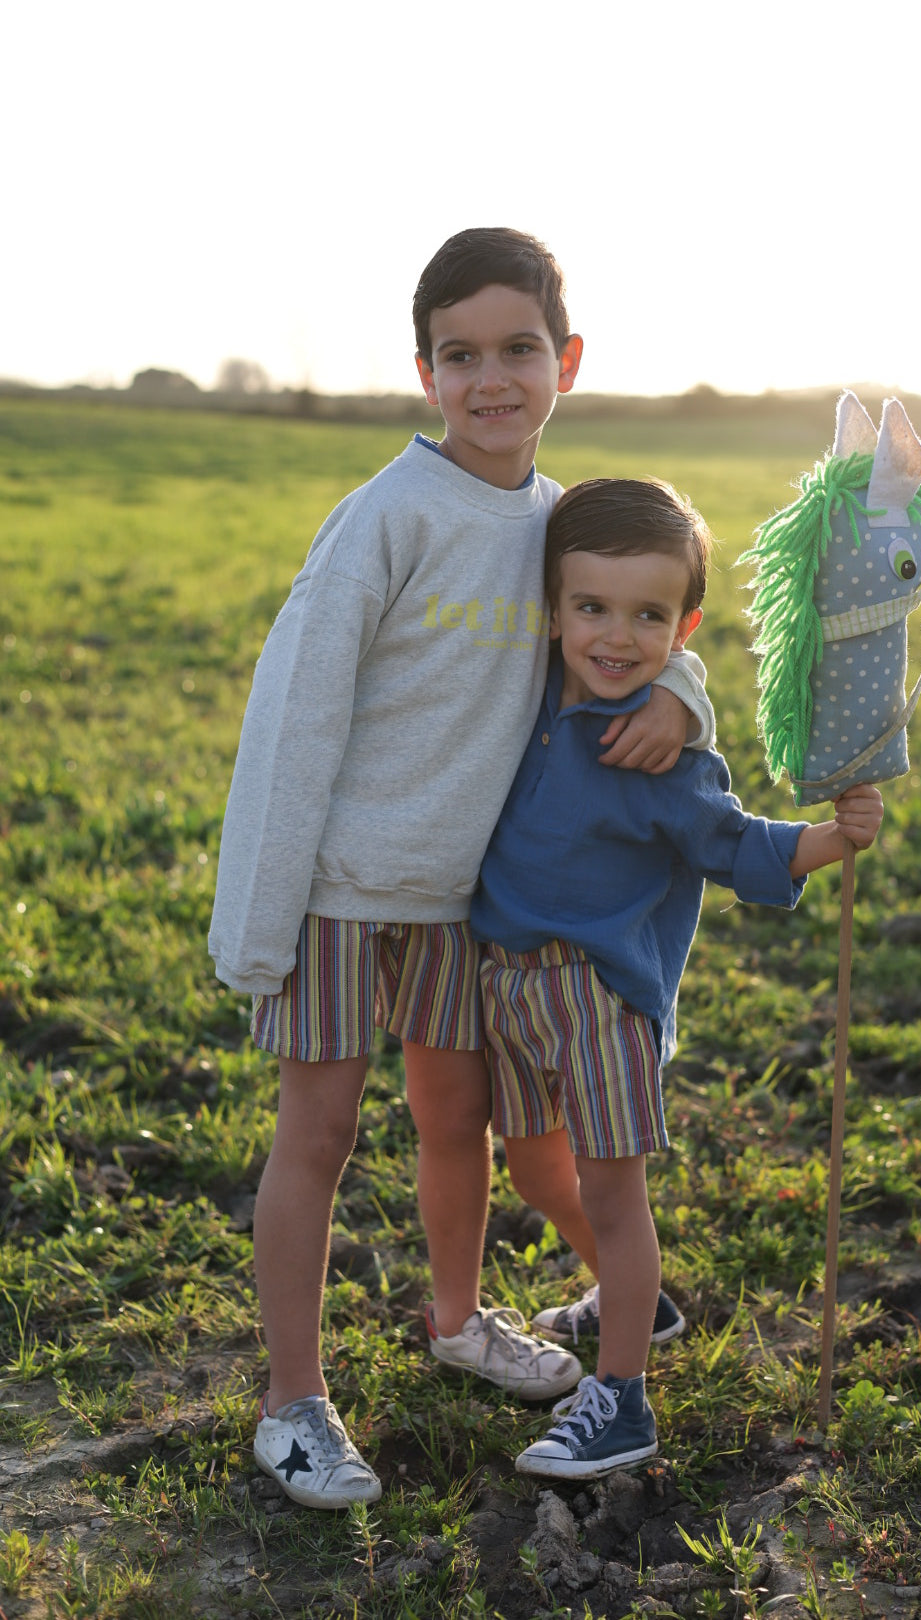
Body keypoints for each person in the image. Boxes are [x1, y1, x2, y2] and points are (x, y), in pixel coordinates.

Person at [208, 230, 716, 1508]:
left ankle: (456, 1319)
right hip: (335, 888)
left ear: (567, 362)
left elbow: (630, 623)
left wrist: (693, 704)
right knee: (316, 1134)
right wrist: (258, 920)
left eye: (519, 350)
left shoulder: (557, 526)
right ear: (425, 370)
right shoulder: (385, 519)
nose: (492, 378)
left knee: (462, 1126)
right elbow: (295, 717)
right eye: (461, 354)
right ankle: (293, 1402)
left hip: (457, 899)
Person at [470, 476, 885, 1480]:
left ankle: (621, 1402)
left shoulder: (665, 758)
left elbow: (735, 846)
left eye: (649, 617)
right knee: (531, 1171)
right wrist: (677, 681)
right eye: (593, 610)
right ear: (554, 612)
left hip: (602, 1001)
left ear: (683, 623)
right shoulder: (522, 693)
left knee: (616, 1198)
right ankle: (632, 1302)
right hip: (506, 990)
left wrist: (834, 837)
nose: (617, 636)